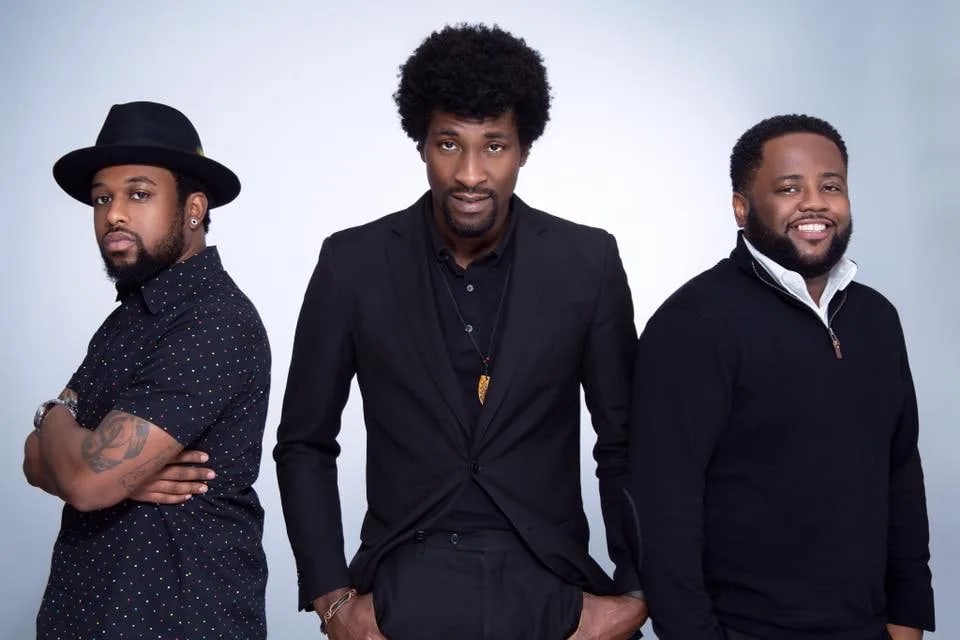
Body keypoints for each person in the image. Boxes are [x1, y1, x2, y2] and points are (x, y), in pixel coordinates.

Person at [275, 23, 647, 639]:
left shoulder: (588, 262)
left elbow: (625, 440)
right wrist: (332, 599)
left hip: (551, 582)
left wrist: (635, 592)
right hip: (403, 579)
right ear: (422, 144)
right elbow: (304, 442)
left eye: (494, 146)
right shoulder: (353, 263)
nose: (470, 173)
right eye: (449, 144)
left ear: (523, 149)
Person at [629, 114, 935, 640]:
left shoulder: (876, 318)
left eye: (831, 186)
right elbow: (662, 508)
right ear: (741, 207)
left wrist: (907, 618)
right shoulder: (694, 323)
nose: (814, 203)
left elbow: (901, 472)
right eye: (789, 188)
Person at [22, 101, 270, 639]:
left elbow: (84, 481)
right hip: (80, 618)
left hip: (179, 621)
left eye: (138, 194)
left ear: (194, 208)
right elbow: (32, 462)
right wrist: (112, 469)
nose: (114, 214)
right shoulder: (125, 322)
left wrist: (59, 423)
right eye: (102, 198)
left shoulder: (215, 320)